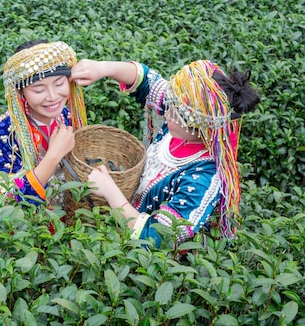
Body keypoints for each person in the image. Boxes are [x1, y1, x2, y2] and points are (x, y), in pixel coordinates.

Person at [71, 59, 260, 247]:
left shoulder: (205, 177)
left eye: (176, 114)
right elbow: (146, 80)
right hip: (123, 220)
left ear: (201, 126)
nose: (166, 113)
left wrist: (111, 192)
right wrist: (102, 68)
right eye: (169, 103)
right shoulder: (181, 119)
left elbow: (158, 238)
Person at [0, 40, 87, 206]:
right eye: (39, 89)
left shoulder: (66, 116)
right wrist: (54, 155)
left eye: (59, 83)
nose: (52, 96)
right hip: (30, 225)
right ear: (20, 91)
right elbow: (5, 203)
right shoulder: (7, 130)